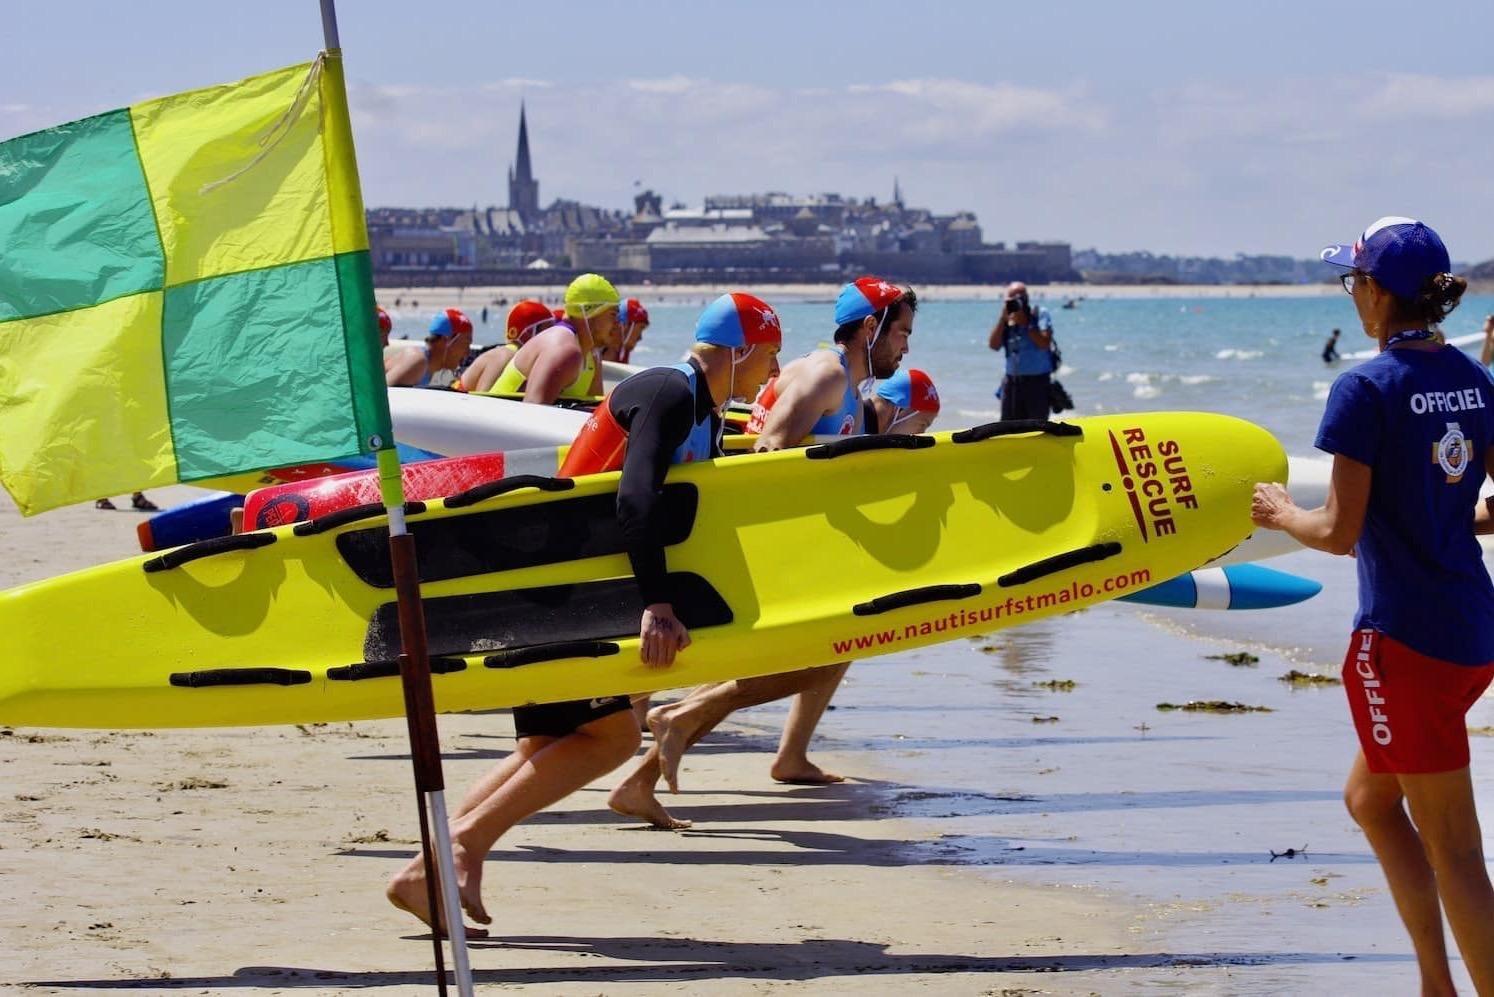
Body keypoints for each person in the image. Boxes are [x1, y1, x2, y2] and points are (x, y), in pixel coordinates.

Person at [386, 293, 782, 937]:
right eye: (767, 355)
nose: (773, 369)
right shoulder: (668, 394)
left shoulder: (696, 405)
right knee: (613, 738)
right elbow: (634, 500)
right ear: (737, 350)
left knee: (547, 747)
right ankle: (453, 854)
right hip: (568, 594)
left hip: (557, 588)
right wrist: (656, 602)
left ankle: (434, 865)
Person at [1252, 217, 1494, 996]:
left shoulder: (1366, 387)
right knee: (1369, 798)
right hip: (1471, 632)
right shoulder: (1473, 380)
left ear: (1379, 294)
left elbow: (1338, 531)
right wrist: (1440, 513)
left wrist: (1282, 512)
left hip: (1404, 643)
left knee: (1456, 848)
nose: (1352, 293)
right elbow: (1486, 508)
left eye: (1353, 279)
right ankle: (1435, 982)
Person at [610, 277, 917, 829]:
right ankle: (684, 717)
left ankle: (655, 767)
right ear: (871, 328)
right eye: (901, 333)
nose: (906, 347)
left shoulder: (853, 389)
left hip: (775, 545)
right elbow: (772, 448)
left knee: (836, 648)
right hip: (757, 547)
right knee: (831, 647)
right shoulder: (826, 373)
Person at [486, 274, 619, 402]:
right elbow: (532, 412)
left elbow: (592, 415)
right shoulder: (563, 350)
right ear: (590, 313)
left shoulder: (593, 357)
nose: (617, 324)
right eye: (613, 314)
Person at [453, 300, 555, 394]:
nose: (554, 338)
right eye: (549, 332)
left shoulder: (516, 356)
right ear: (528, 332)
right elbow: (483, 397)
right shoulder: (506, 356)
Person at [988, 281, 1055, 421]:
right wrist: (1002, 320)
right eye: (1012, 297)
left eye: (1020, 296)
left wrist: (1026, 323)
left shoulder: (1038, 314)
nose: (1016, 301)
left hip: (1038, 383)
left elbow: (1044, 343)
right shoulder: (1007, 318)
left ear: (1027, 297)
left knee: (1037, 428)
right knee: (1008, 429)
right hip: (1012, 382)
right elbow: (994, 345)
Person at [384, 309, 472, 388]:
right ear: (446, 341)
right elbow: (381, 396)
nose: (467, 353)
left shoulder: (431, 369)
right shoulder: (417, 361)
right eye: (466, 344)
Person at [865, 367, 940, 434]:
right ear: (900, 410)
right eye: (922, 425)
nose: (921, 434)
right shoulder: (855, 425)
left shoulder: (865, 425)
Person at [602, 298, 650, 364]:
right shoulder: (593, 352)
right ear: (625, 325)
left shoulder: (623, 352)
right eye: (641, 328)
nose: (640, 338)